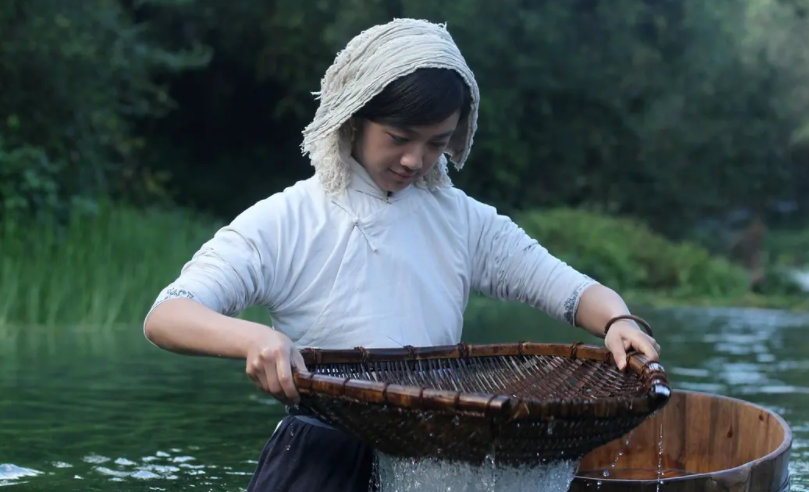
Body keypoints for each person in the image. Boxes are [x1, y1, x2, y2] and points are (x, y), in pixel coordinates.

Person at [143, 18, 661, 492]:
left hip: (435, 460)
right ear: (354, 118)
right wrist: (255, 337)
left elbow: (569, 289)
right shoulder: (288, 220)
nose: (415, 159)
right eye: (399, 137)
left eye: (436, 142)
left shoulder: (463, 221)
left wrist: (617, 319)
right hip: (321, 461)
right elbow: (168, 314)